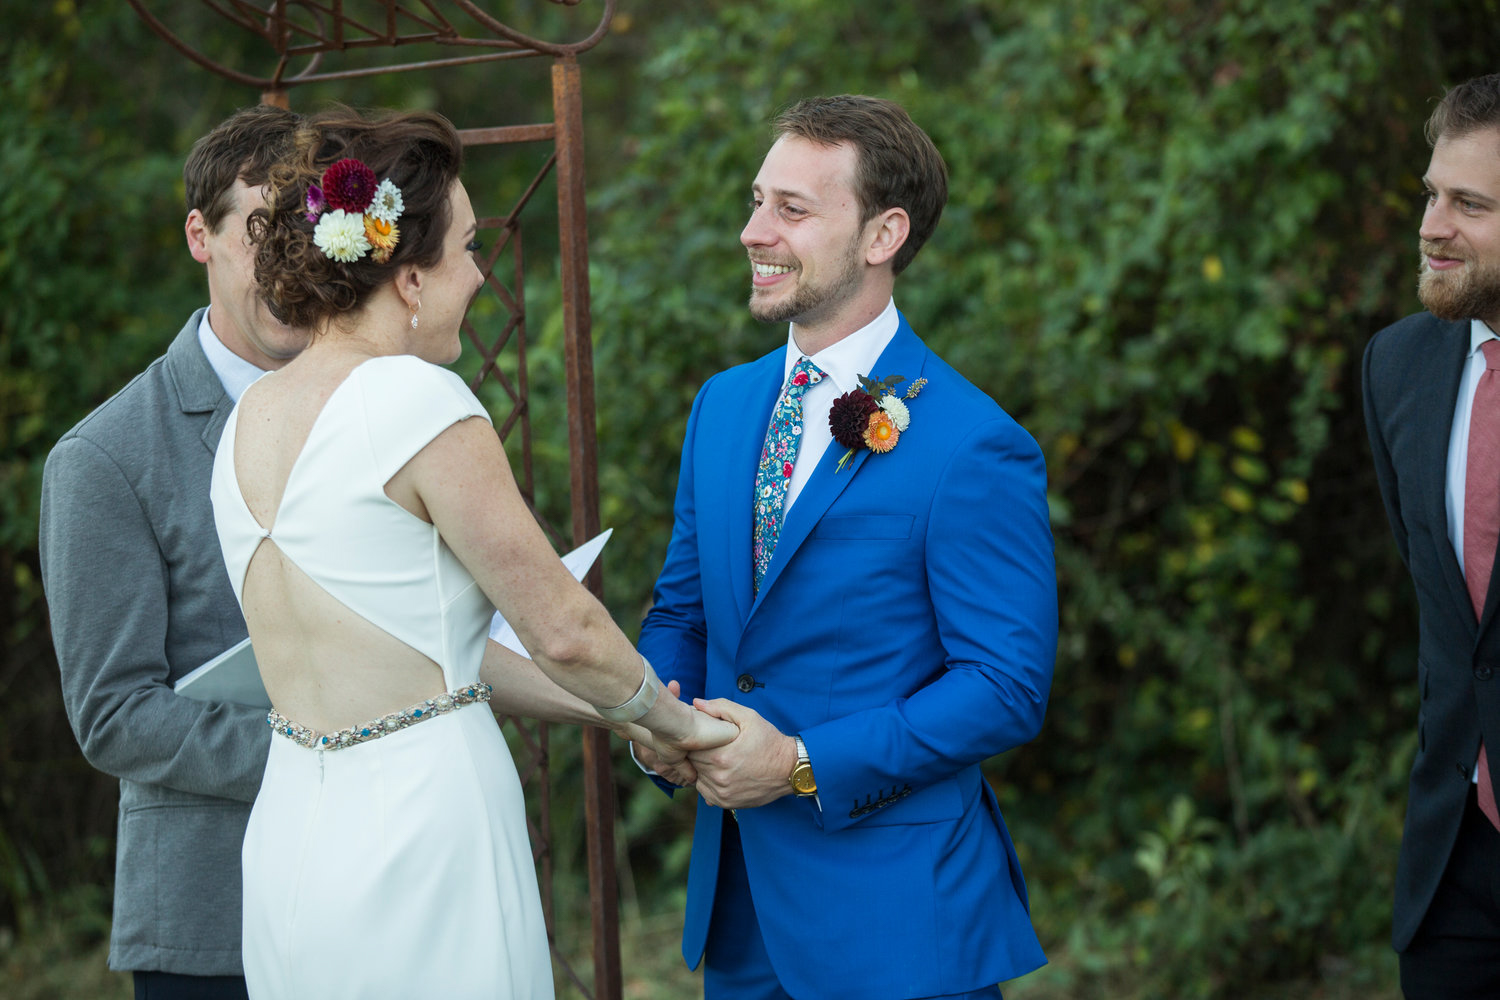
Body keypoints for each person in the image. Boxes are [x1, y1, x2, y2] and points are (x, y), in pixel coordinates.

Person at [210, 106, 734, 998]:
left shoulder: (249, 419)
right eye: (466, 249)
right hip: (424, 833)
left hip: (295, 834)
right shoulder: (416, 400)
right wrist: (684, 727)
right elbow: (563, 631)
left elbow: (434, 656)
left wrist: (629, 716)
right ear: (409, 278)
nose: (480, 277)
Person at [633, 95, 1058, 1000]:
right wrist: (656, 724)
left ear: (882, 235)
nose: (754, 231)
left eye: (792, 209)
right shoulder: (722, 406)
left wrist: (798, 764)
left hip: (899, 925)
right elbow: (682, 611)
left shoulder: (972, 443)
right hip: (741, 918)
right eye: (756, 201)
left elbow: (1005, 688)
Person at [38, 104, 305, 1000]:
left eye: (307, 232)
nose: (287, 264)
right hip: (212, 920)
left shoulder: (374, 409)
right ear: (201, 234)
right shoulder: (103, 458)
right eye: (261, 230)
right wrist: (326, 747)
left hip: (386, 894)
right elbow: (115, 714)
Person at [1363, 72, 1500, 999]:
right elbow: (1442, 611)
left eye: (1470, 204)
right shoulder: (1396, 365)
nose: (1432, 225)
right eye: (1430, 194)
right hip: (1455, 876)